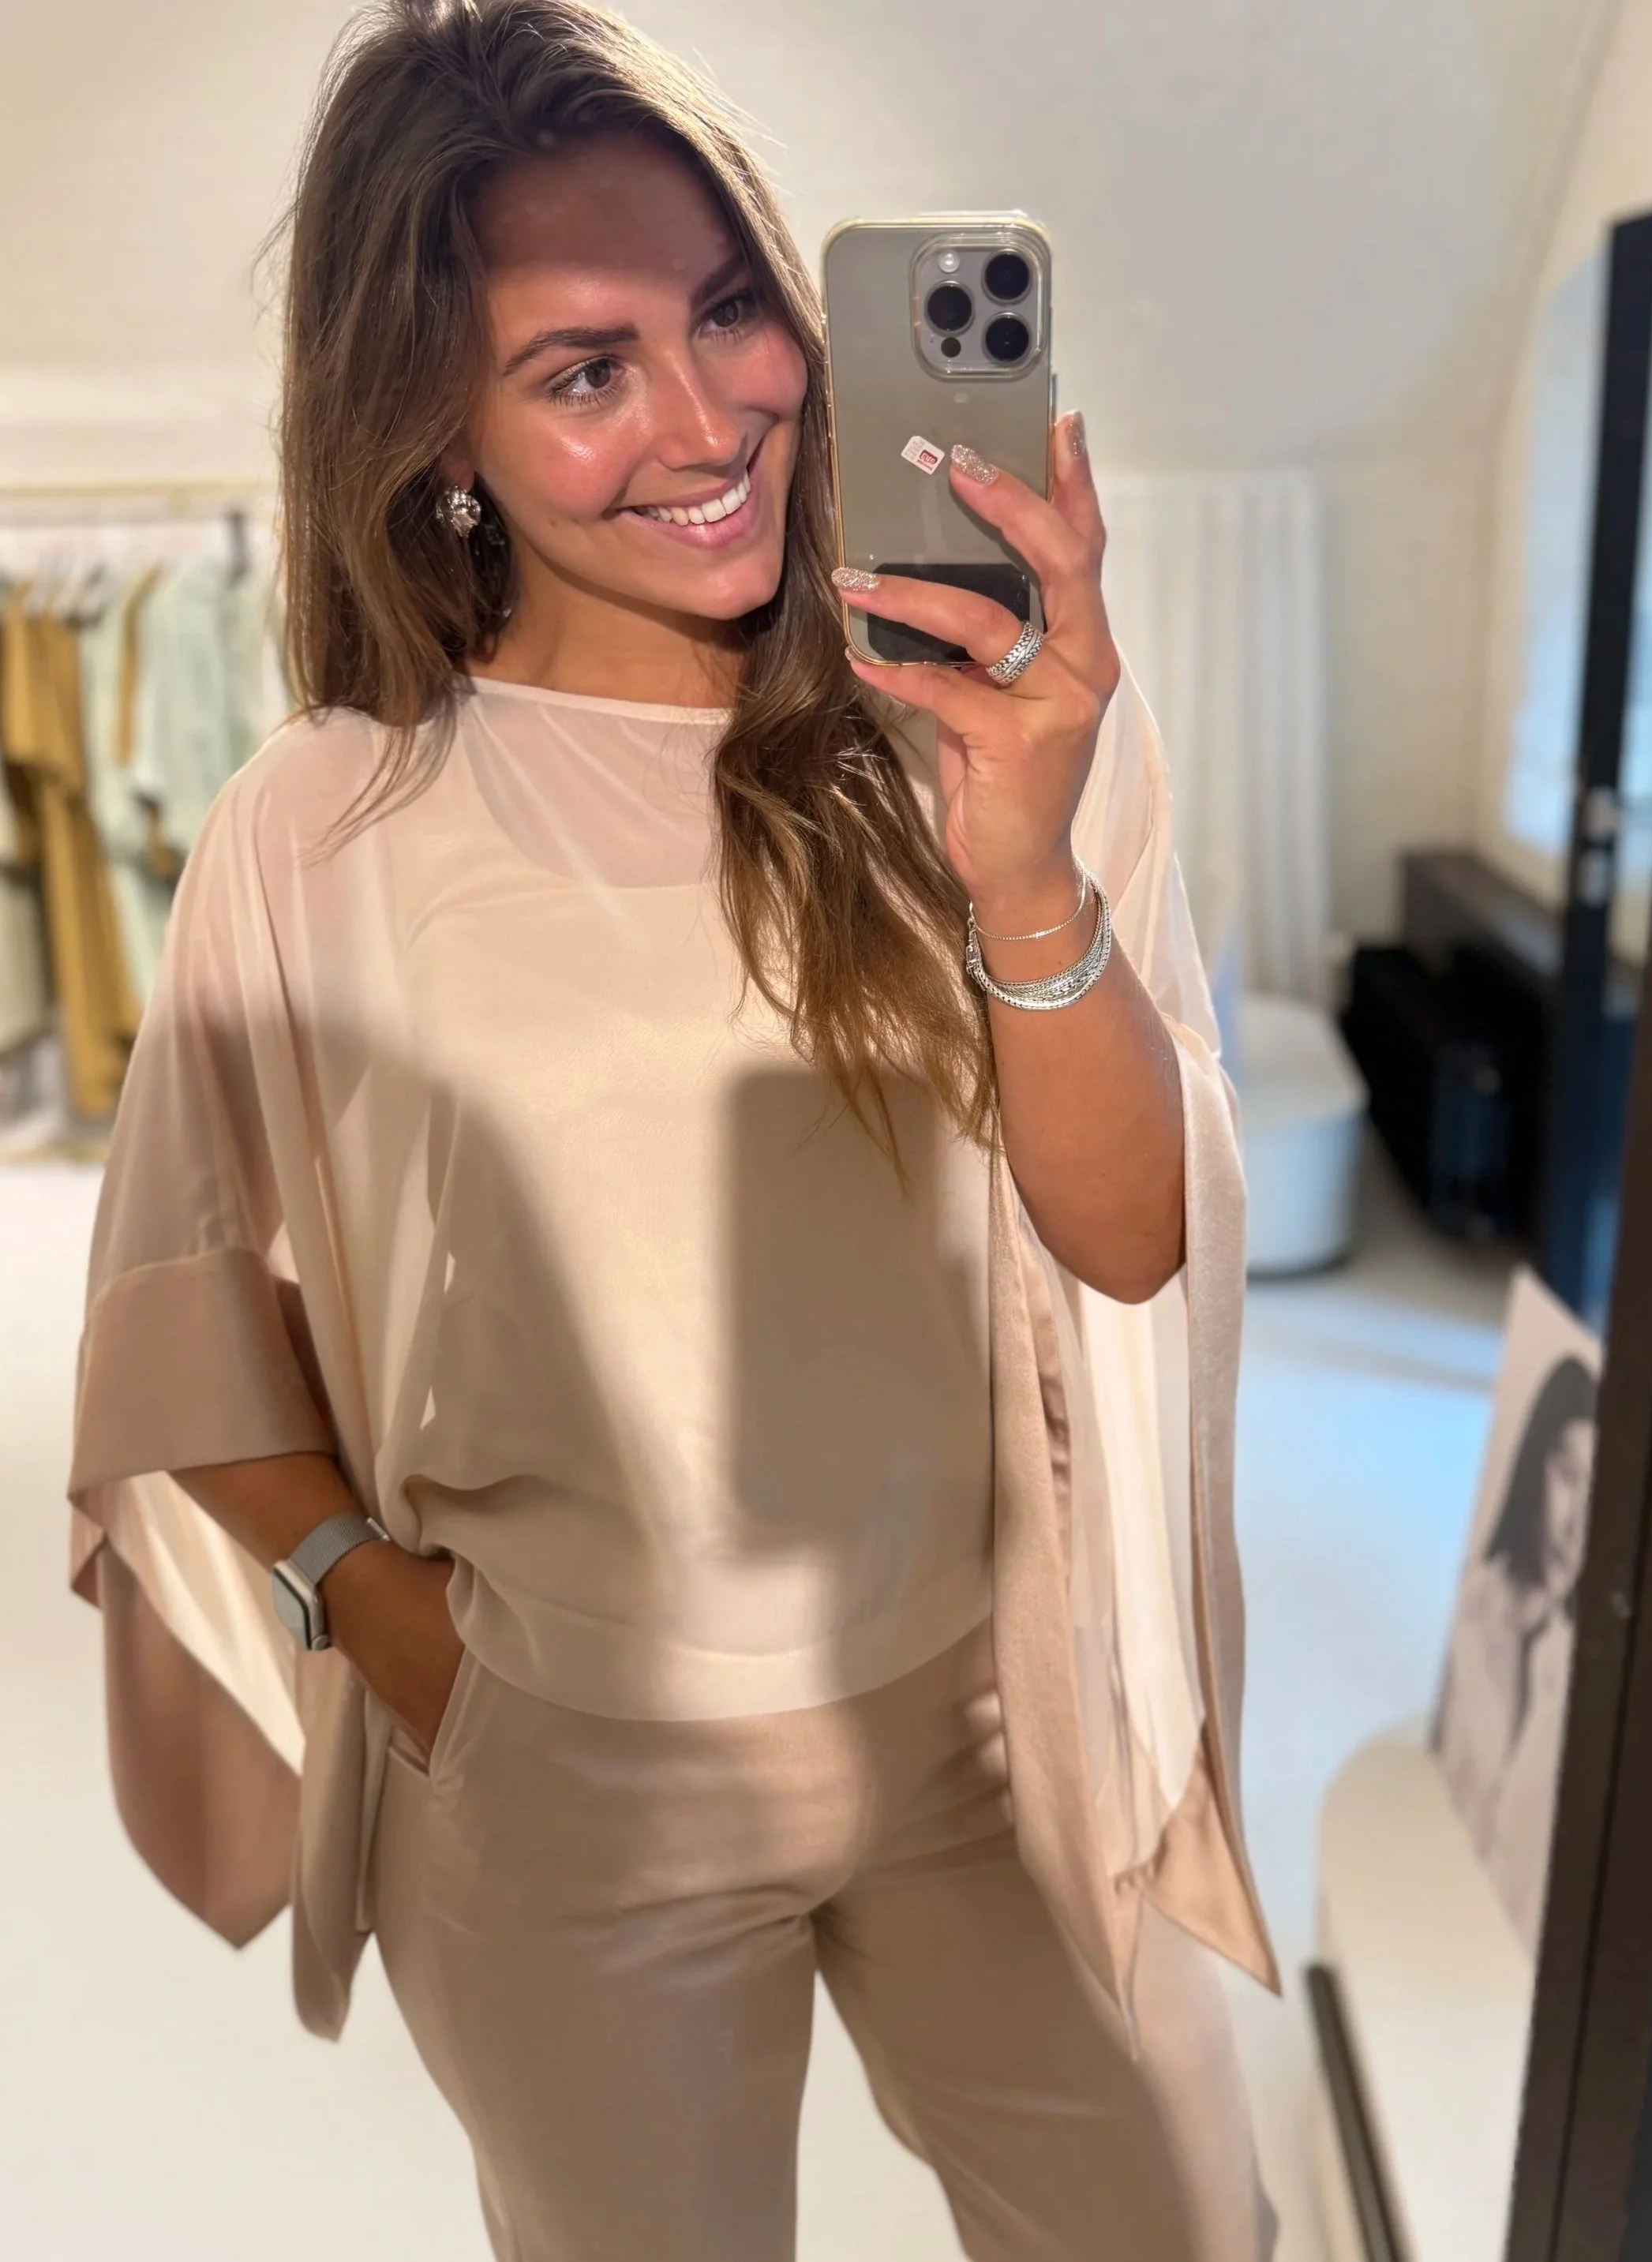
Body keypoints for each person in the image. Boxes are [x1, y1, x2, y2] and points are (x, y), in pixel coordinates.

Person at [63, 4, 1281, 2256]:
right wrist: (390, 1628)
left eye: (729, 311)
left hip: (989, 1719)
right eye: (584, 368)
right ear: (439, 426)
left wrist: (1025, 867)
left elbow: (1133, 1242)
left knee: (1188, 2225)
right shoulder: (330, 822)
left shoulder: (986, 731)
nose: (709, 421)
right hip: (573, 1783)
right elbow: (173, 1314)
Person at [1434, 1354, 1598, 1954]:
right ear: (1536, 1462)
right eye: (1568, 1475)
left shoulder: (1583, 1661)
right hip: (1435, 1908)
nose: (1578, 1526)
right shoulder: (1473, 1610)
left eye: (1601, 1492)